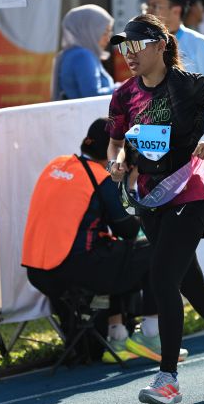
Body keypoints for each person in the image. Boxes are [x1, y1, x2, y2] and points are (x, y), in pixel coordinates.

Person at [106, 13, 204, 404]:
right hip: (151, 199)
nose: (129, 54)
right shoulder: (124, 95)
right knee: (188, 284)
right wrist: (117, 161)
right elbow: (117, 142)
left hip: (189, 194)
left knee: (162, 279)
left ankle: (168, 379)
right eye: (124, 48)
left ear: (161, 45)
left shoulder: (189, 85)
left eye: (136, 45)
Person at [22, 117, 169, 364]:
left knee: (115, 251)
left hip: (37, 272)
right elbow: (129, 230)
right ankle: (151, 334)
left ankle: (118, 335)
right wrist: (131, 185)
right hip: (73, 267)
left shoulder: (56, 165)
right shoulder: (101, 178)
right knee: (155, 250)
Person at [140, 0, 204, 81]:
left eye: (155, 6)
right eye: (147, 5)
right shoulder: (143, 44)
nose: (148, 11)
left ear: (176, 11)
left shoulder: (198, 42)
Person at [51, 4, 116, 100]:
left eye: (110, 33)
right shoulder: (82, 56)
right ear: (88, 31)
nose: (108, 39)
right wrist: (123, 89)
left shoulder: (71, 54)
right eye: (105, 32)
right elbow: (93, 96)